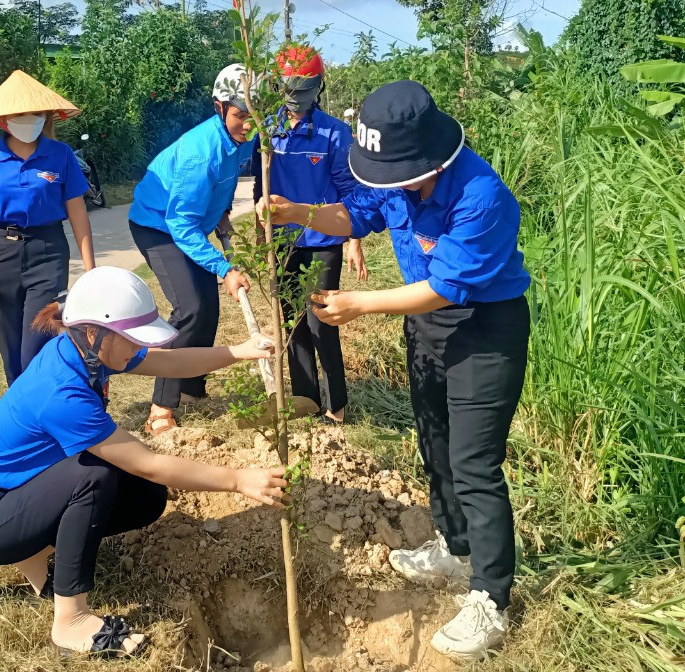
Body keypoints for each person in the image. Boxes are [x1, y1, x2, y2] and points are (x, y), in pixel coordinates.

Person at [257, 80, 531, 660]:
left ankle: (491, 596)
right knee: (434, 443)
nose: (393, 187)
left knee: (474, 462)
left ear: (430, 156)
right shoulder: (391, 182)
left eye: (400, 175)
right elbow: (352, 216)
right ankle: (454, 549)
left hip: (483, 330)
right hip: (426, 327)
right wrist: (297, 211)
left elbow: (446, 286)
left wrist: (358, 304)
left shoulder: (481, 196)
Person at [0, 266, 286, 659]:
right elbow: (146, 461)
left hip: (21, 494)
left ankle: (34, 553)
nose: (136, 348)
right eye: (132, 339)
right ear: (94, 333)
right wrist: (237, 480)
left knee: (145, 497)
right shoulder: (62, 391)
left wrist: (241, 351)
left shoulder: (85, 351)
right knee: (95, 475)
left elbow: (170, 364)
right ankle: (70, 619)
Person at [0, 70, 96, 385]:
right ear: (4, 121)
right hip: (1, 255)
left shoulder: (60, 155)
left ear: (46, 116)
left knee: (37, 346)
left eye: (35, 113)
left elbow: (78, 213)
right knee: (11, 349)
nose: (29, 119)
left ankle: (44, 401)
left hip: (48, 252)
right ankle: (24, 418)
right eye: (20, 114)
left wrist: (91, 270)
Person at [128, 64, 256, 433]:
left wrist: (222, 213)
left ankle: (191, 388)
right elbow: (180, 223)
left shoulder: (241, 139)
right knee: (190, 308)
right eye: (239, 115)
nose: (248, 124)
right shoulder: (202, 152)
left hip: (191, 224)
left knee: (208, 309)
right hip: (158, 225)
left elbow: (223, 182)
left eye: (254, 115)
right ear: (219, 108)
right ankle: (160, 407)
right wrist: (226, 268)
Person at [251, 45, 368, 424]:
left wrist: (354, 241)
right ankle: (305, 400)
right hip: (282, 244)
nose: (296, 100)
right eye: (290, 90)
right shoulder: (267, 130)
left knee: (321, 319)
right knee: (291, 323)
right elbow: (260, 190)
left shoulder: (335, 134)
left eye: (304, 90)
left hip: (323, 243)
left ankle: (336, 405)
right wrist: (259, 238)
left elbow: (351, 193)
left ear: (318, 87)